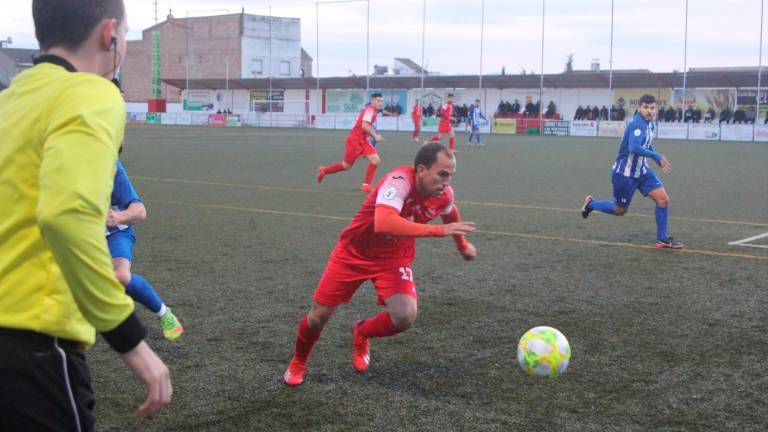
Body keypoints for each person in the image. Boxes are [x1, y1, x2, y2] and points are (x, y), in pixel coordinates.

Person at [0, 1, 172, 430]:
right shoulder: (92, 93)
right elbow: (65, 216)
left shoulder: (11, 98)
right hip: (31, 344)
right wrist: (131, 340)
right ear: (109, 33)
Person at [283, 143, 477, 386]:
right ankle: (299, 361)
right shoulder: (398, 181)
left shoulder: (443, 194)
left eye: (450, 176)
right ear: (421, 170)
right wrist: (438, 231)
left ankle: (362, 332)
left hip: (393, 257)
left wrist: (462, 245)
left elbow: (450, 211)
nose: (447, 182)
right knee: (318, 317)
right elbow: (384, 223)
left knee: (405, 315)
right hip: (354, 253)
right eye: (442, 174)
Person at [580, 94, 683, 249]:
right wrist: (656, 155)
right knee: (620, 210)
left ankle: (662, 239)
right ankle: (591, 204)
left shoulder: (650, 123)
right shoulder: (637, 124)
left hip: (642, 171)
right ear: (639, 108)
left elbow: (646, 144)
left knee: (663, 200)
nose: (649, 111)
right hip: (625, 175)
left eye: (652, 108)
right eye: (646, 107)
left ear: (656, 109)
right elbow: (634, 147)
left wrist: (655, 158)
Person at [108, 157, 184, 341]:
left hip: (113, 233)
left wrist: (117, 218)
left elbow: (139, 210)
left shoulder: (108, 164)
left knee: (120, 276)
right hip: (76, 236)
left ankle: (164, 313)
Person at [317, 93, 385, 194]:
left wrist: (368, 136)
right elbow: (364, 125)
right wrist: (375, 136)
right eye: (378, 101)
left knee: (376, 161)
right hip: (354, 141)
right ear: (373, 100)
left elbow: (365, 126)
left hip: (363, 140)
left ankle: (366, 186)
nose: (380, 103)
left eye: (381, 101)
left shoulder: (372, 111)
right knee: (346, 166)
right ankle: (324, 171)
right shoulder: (370, 110)